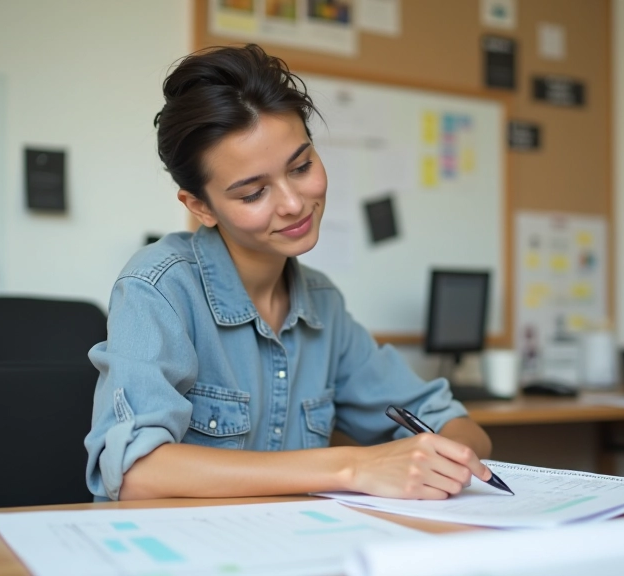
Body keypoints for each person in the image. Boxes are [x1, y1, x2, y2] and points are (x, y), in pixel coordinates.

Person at [84, 44, 494, 502]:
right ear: (201, 206)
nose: (294, 203)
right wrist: (351, 466)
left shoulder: (322, 303)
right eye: (253, 193)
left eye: (301, 167)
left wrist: (441, 456)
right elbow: (138, 475)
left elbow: (456, 426)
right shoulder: (158, 288)